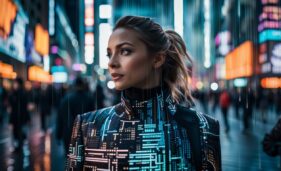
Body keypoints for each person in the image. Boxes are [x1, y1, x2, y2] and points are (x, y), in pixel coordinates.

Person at [66, 16, 221, 171]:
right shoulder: (87, 125)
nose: (112, 62)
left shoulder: (202, 127)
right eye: (109, 54)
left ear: (158, 58)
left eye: (125, 51)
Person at [56, 76, 95, 153]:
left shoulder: (66, 99)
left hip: (69, 134)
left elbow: (60, 118)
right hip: (85, 134)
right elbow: (93, 118)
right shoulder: (89, 99)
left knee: (70, 158)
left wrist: (58, 135)